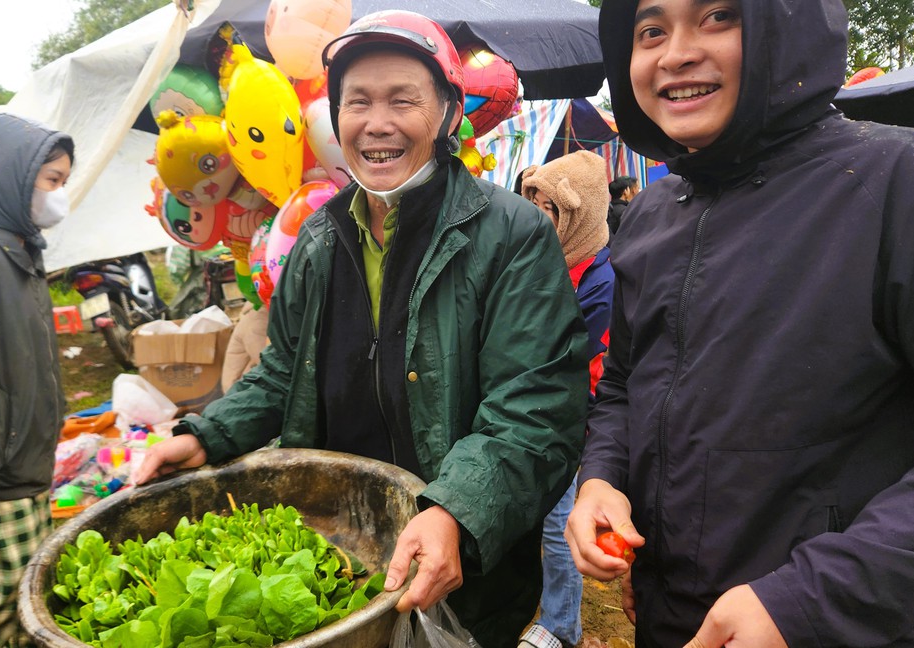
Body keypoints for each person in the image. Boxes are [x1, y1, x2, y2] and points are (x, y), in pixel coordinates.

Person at [133, 10, 590, 647]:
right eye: (357, 102)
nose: (377, 124)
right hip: (337, 549)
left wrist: (454, 511)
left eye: (403, 100)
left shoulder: (510, 235)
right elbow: (284, 371)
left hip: (459, 565)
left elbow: (535, 409)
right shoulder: (320, 240)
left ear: (449, 114)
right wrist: (208, 434)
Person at [565, 0, 914, 647]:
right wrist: (601, 477)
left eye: (719, 16)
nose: (676, 52)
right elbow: (625, 386)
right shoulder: (653, 214)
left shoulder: (909, 184)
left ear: (789, 24)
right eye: (650, 30)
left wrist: (806, 600)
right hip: (673, 619)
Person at [0, 113, 75, 646]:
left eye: (64, 182)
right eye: (52, 181)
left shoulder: (23, 256)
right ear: (13, 179)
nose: (59, 196)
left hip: (24, 468)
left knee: (27, 606)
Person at [518, 150, 614, 648]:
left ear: (579, 214)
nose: (534, 213)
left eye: (547, 206)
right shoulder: (550, 260)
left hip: (575, 423)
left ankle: (562, 627)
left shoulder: (602, 282)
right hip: (541, 413)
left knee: (559, 523)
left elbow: (575, 364)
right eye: (530, 198)